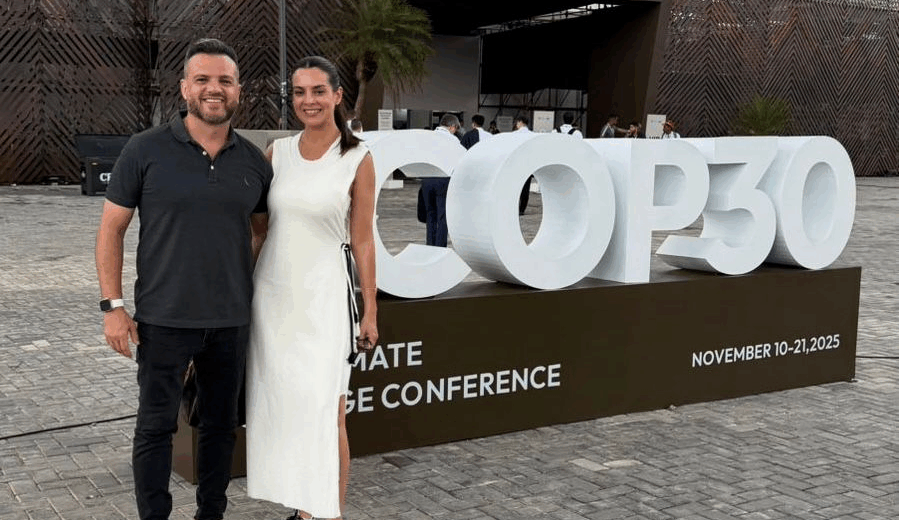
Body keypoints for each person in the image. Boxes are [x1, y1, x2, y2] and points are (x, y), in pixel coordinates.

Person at [95, 38, 273, 520]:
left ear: (238, 90)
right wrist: (113, 307)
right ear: (184, 88)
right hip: (163, 319)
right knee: (155, 428)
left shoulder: (253, 161)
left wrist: (234, 278)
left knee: (220, 428)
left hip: (230, 322)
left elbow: (260, 230)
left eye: (225, 81)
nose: (215, 89)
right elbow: (111, 230)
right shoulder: (145, 149)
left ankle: (210, 514)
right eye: (203, 79)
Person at [245, 55, 378, 520]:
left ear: (337, 95)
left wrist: (371, 310)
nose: (309, 100)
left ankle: (328, 514)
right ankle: (304, 510)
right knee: (285, 408)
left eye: (319, 90)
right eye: (299, 92)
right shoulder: (276, 154)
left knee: (328, 410)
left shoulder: (358, 158)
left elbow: (363, 241)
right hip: (273, 299)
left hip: (325, 301)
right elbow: (259, 231)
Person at [421, 113, 461, 247]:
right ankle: (440, 247)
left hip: (426, 179)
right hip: (443, 180)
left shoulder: (427, 137)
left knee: (430, 215)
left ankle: (430, 245)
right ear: (452, 126)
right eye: (456, 128)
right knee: (442, 216)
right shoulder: (453, 140)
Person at [514, 115, 534, 215]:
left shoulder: (514, 135)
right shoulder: (532, 135)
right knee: (525, 188)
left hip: (516, 164)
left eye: (517, 122)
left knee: (515, 187)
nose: (516, 124)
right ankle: (522, 209)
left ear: (521, 122)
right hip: (528, 164)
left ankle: (513, 208)